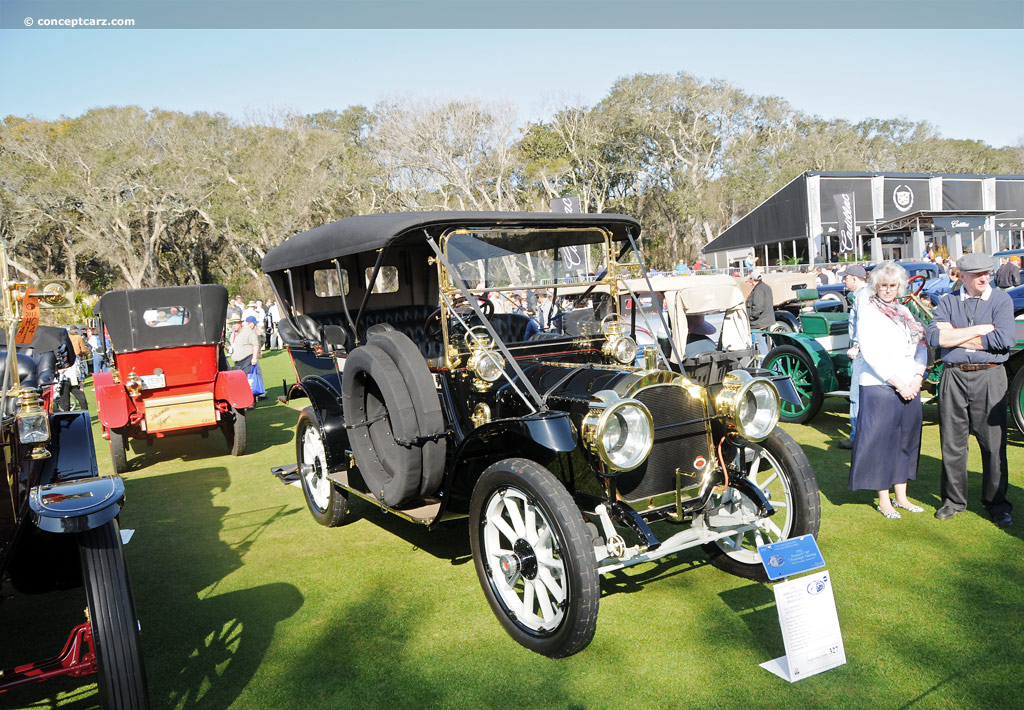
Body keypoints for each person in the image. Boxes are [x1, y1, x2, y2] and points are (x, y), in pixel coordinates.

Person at [925, 252, 1015, 528]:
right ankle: (953, 502)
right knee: (952, 443)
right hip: (954, 377)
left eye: (986, 273)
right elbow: (933, 337)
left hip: (990, 376)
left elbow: (1004, 339)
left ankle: (997, 503)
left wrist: (955, 336)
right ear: (961, 276)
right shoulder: (948, 301)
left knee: (993, 444)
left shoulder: (1001, 299)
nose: (984, 278)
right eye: (976, 274)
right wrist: (979, 331)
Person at [848, 262, 928, 519]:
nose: (888, 290)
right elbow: (871, 353)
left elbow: (921, 344)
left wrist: (917, 377)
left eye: (893, 286)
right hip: (880, 386)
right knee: (883, 443)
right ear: (876, 285)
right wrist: (900, 384)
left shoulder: (904, 311)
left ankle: (902, 496)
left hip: (909, 385)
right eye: (884, 285)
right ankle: (884, 500)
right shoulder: (869, 312)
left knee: (906, 441)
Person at [837, 265, 869, 449]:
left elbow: (863, 322)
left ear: (855, 279)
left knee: (856, 394)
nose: (844, 281)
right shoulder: (864, 294)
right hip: (866, 349)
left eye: (846, 277)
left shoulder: (862, 296)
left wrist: (856, 345)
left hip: (862, 350)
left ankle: (856, 436)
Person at [744, 270, 774, 355]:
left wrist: (750, 319)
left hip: (759, 322)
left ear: (753, 279)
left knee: (760, 343)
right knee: (764, 342)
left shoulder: (758, 290)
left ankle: (764, 363)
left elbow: (758, 308)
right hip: (766, 320)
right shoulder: (766, 287)